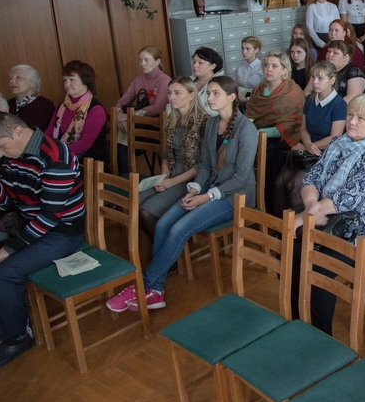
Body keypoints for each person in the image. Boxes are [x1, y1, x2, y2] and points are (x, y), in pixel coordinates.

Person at [107, 76, 258, 312]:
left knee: (179, 228)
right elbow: (206, 165)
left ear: (231, 97)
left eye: (216, 93)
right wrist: (195, 188)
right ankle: (155, 291)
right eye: (208, 93)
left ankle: (144, 285)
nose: (210, 98)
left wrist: (206, 196)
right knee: (163, 223)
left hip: (234, 196)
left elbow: (241, 176)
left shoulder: (247, 129)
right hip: (207, 187)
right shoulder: (211, 125)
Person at [295, 94, 365, 334]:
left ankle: (320, 335)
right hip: (324, 217)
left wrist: (307, 217)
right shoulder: (338, 142)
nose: (352, 122)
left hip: (360, 230)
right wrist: (312, 206)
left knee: (320, 264)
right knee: (293, 251)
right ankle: (297, 320)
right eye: (350, 115)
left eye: (360, 118)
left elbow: (351, 196)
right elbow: (312, 176)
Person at [0, 112, 85, 368]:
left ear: (17, 132)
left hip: (62, 232)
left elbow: (50, 217)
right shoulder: (11, 155)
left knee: (4, 273)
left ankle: (17, 337)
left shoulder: (56, 156)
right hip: (28, 224)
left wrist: (8, 249)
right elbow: (5, 203)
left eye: (0, 146)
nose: (0, 154)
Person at [137, 77, 209, 250]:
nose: (171, 97)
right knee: (133, 202)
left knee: (146, 212)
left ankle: (166, 255)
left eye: (177, 93)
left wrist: (172, 181)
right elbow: (166, 154)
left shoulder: (204, 122)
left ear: (191, 95)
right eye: (169, 93)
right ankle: (160, 246)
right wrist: (164, 176)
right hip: (172, 176)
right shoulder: (172, 119)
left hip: (191, 180)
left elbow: (202, 165)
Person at [272, 62, 346, 215]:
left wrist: (307, 146)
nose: (315, 82)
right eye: (313, 78)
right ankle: (281, 228)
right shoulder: (310, 100)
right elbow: (303, 128)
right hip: (307, 149)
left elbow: (335, 137)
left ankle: (300, 232)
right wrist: (306, 143)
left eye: (320, 78)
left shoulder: (339, 104)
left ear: (332, 80)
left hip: (325, 153)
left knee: (295, 184)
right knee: (279, 183)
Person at [245, 51, 305, 213]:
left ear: (284, 70)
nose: (268, 69)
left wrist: (259, 133)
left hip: (282, 140)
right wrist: (248, 131)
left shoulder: (292, 91)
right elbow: (249, 115)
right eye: (266, 65)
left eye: (274, 66)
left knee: (269, 158)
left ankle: (268, 209)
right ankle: (247, 203)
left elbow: (291, 124)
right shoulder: (258, 91)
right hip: (256, 135)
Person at [113, 46, 172, 174]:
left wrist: (128, 117)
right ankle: (125, 181)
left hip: (158, 127)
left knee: (123, 147)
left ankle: (129, 183)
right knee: (119, 146)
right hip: (139, 124)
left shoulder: (165, 81)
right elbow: (123, 100)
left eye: (146, 60)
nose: (142, 64)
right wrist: (118, 114)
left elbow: (157, 108)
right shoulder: (138, 80)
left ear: (157, 62)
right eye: (140, 60)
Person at [46, 60, 108, 164]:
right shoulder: (62, 105)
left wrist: (57, 153)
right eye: (65, 80)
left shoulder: (96, 109)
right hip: (62, 154)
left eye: (72, 80)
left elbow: (84, 143)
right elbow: (49, 132)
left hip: (88, 161)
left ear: (85, 81)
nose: (67, 84)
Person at [7, 65, 55, 131]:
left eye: (18, 77)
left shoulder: (45, 105)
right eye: (11, 78)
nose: (12, 81)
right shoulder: (8, 103)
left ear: (31, 82)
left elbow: (37, 133)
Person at [324, 39, 365, 103]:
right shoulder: (322, 68)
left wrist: (330, 109)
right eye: (329, 51)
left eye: (335, 52)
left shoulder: (354, 72)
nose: (330, 54)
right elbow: (308, 90)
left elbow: (352, 98)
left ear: (346, 57)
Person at [190, 47, 225, 116]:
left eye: (200, 63)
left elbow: (212, 111)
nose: (195, 65)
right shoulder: (189, 80)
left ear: (213, 66)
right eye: (194, 62)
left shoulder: (221, 84)